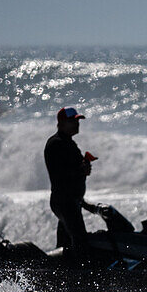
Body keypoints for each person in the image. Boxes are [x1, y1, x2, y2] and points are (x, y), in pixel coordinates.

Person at [44, 106, 93, 256]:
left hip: (70, 201)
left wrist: (84, 167)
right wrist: (81, 170)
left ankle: (60, 273)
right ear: (62, 123)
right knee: (80, 241)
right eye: (73, 121)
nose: (77, 124)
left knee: (66, 243)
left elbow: (73, 170)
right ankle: (78, 275)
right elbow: (61, 174)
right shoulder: (56, 143)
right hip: (64, 202)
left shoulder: (68, 143)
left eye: (77, 121)